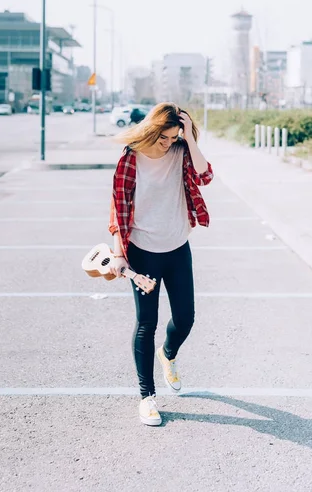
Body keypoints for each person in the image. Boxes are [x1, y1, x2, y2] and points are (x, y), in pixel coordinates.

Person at [108, 102, 213, 426]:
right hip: (142, 249)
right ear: (153, 129)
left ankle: (168, 354)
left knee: (185, 318)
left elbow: (205, 175)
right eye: (164, 137)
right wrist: (118, 252)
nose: (167, 143)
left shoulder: (182, 151)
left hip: (177, 245)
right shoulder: (131, 156)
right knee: (146, 324)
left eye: (173, 137)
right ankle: (147, 398)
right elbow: (118, 203)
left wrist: (189, 137)